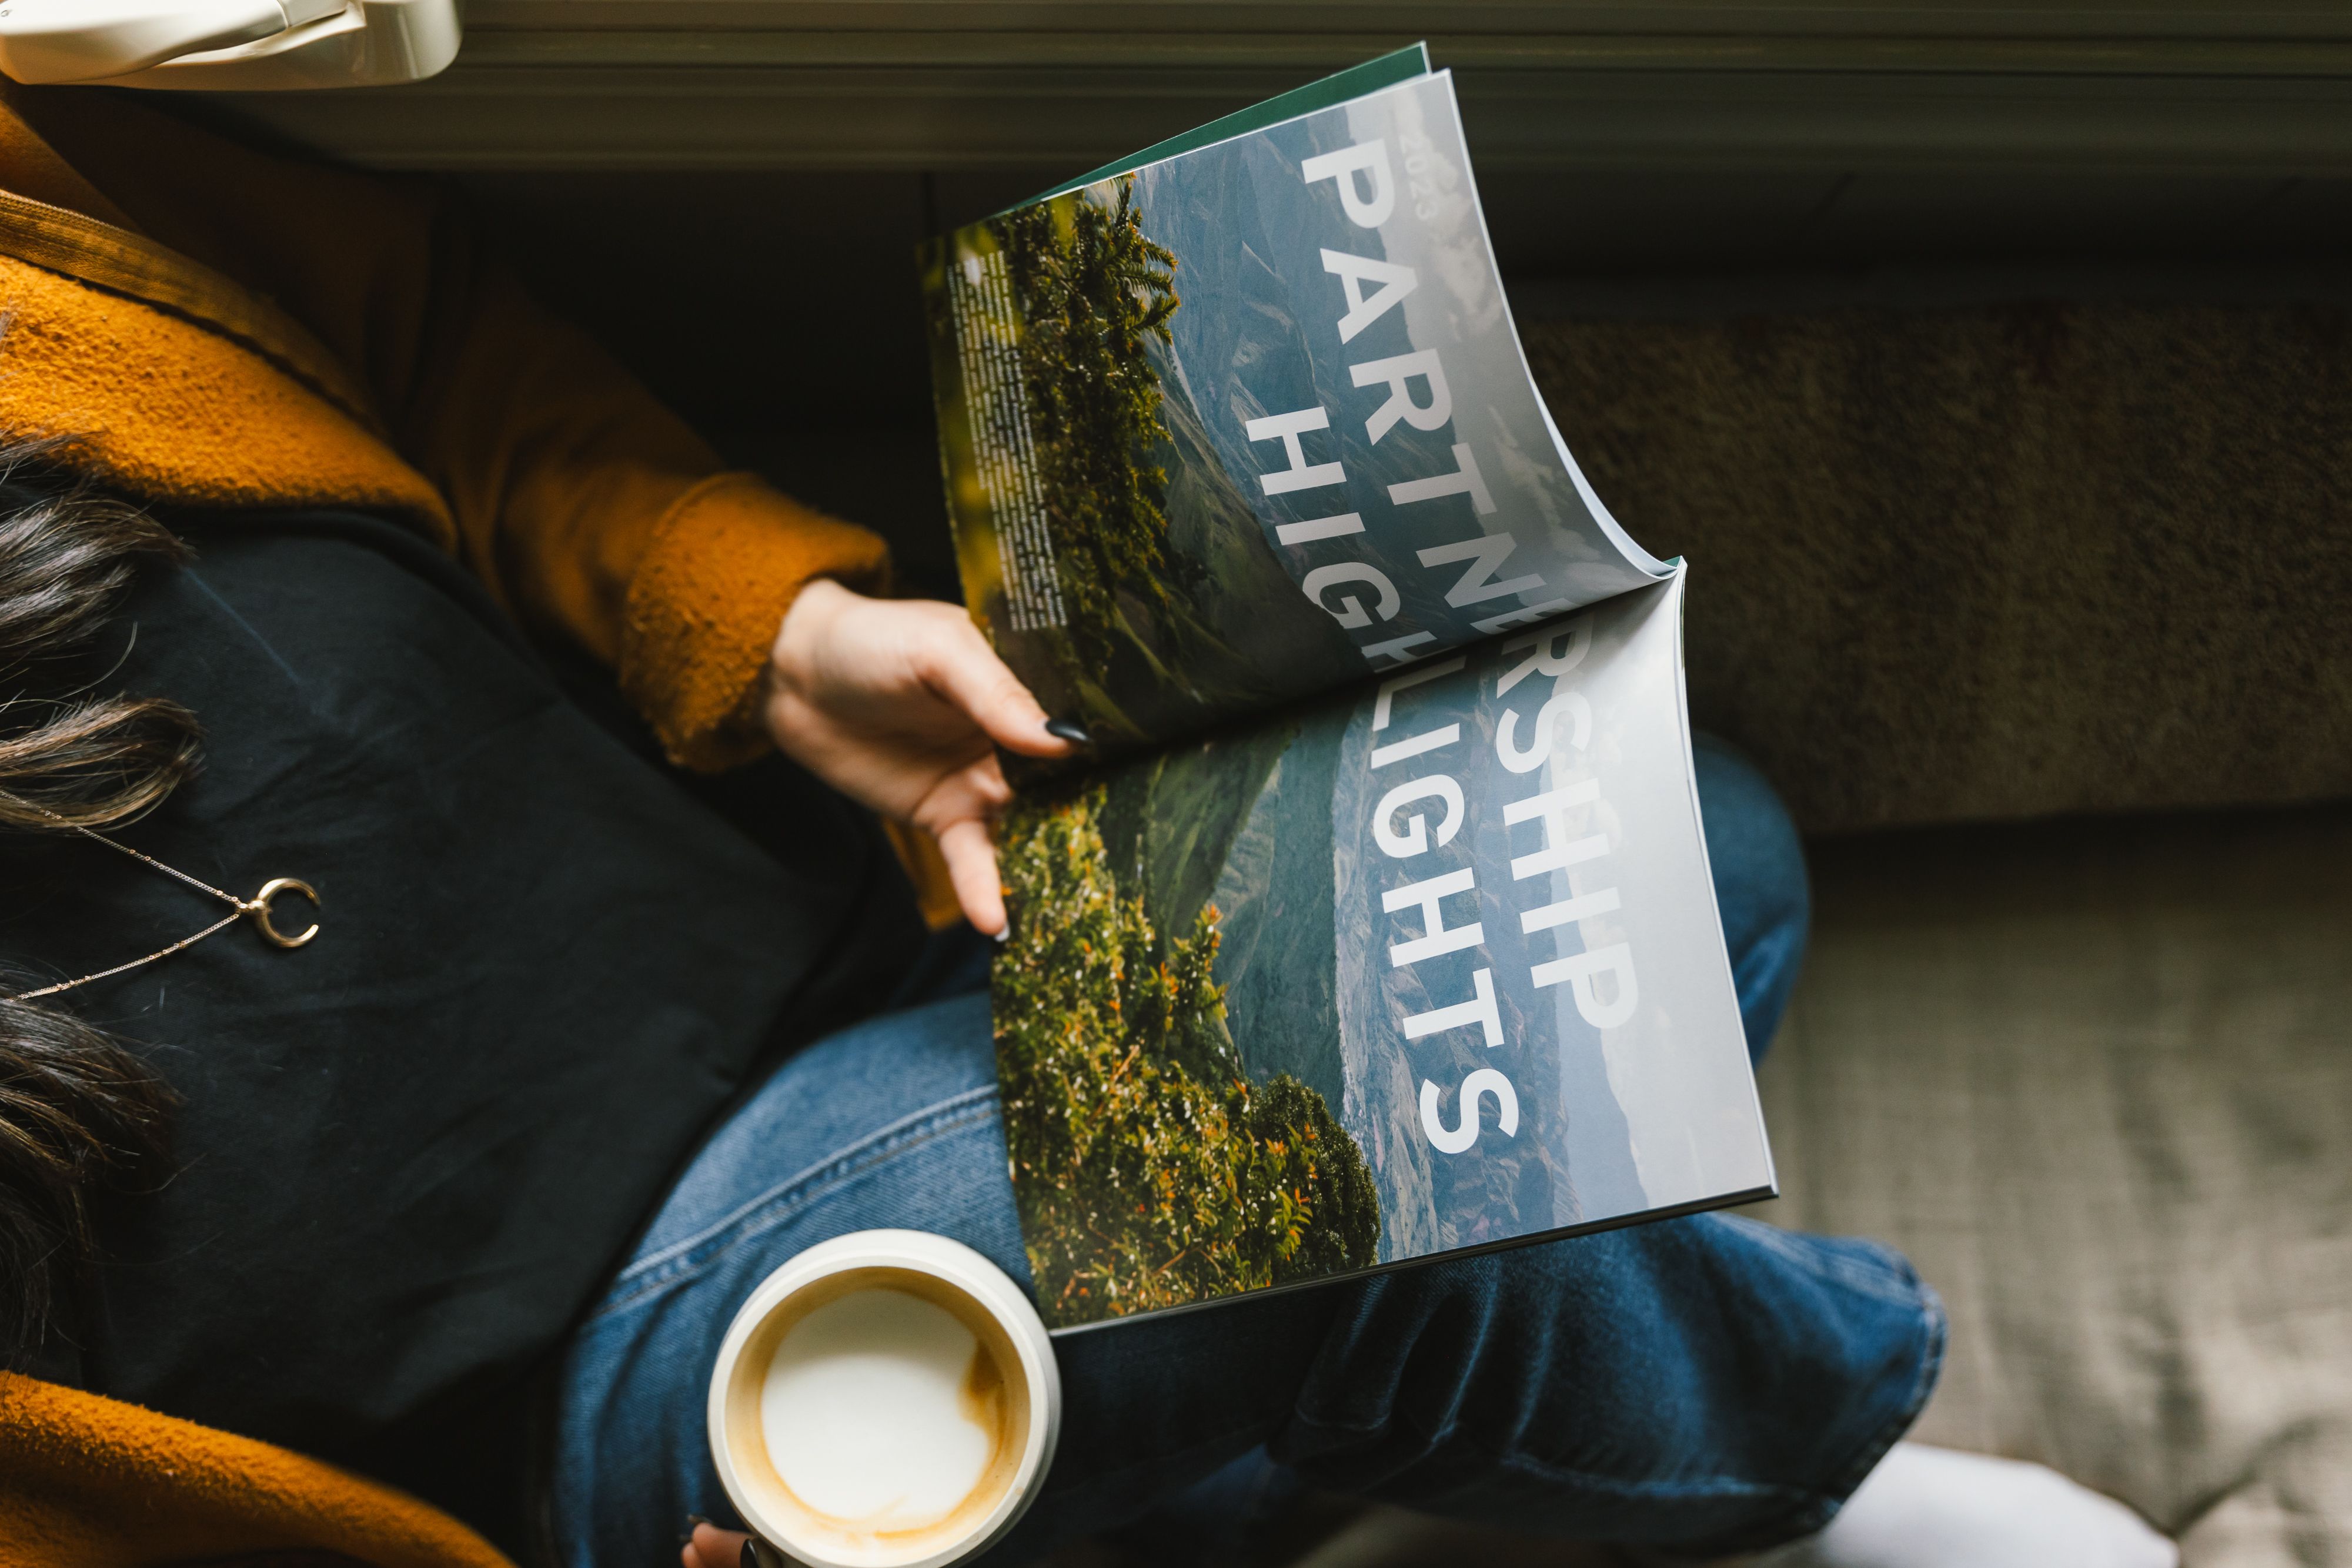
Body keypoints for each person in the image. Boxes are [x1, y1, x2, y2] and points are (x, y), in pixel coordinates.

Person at [0, 85, 2172, 1568]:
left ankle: (1307, 1426)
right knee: (1285, 1160)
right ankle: (1805, 1463)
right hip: (634, 1395)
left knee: (1701, 844)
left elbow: (415, 340)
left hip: (857, 927)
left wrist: (778, 635)